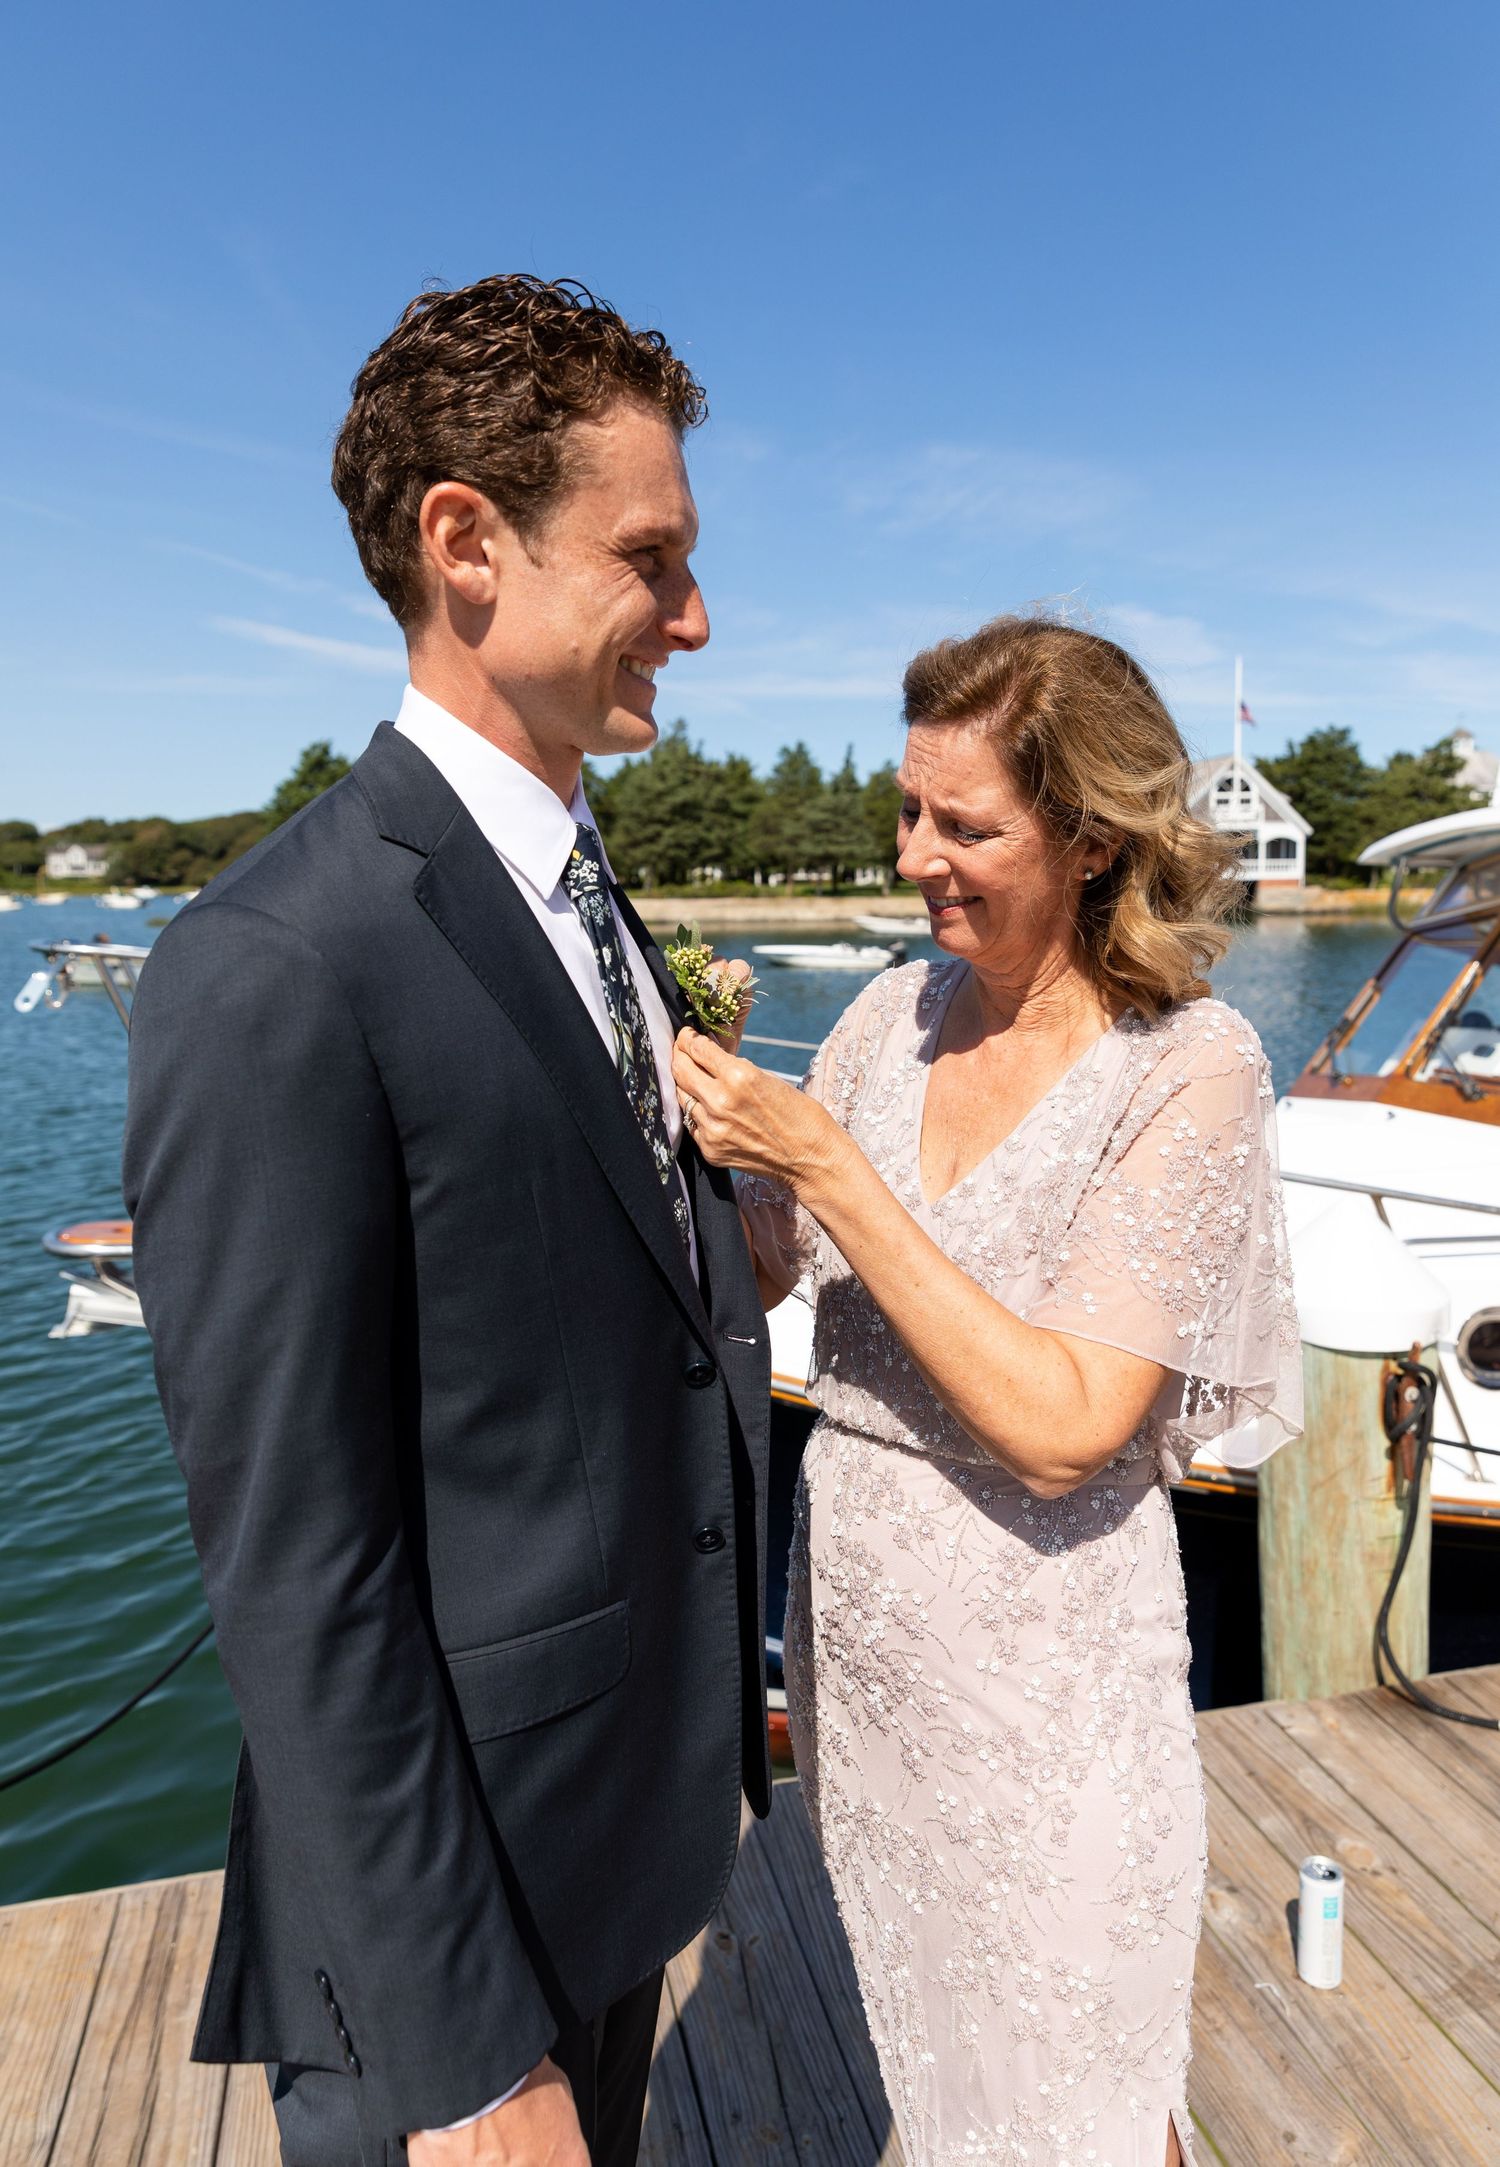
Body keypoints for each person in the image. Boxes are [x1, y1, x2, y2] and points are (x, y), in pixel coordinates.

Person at [123, 275, 769, 2167]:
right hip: (447, 1950)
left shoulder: (586, 894)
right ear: (466, 545)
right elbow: (296, 1569)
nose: (700, 617)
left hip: (618, 1849)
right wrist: (473, 2060)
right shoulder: (272, 965)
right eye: (653, 557)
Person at [671, 614, 1303, 2167]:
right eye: (908, 810)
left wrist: (822, 1156)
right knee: (939, 2078)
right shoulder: (891, 1017)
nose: (914, 856)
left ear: (1089, 840)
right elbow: (773, 1270)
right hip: (870, 1671)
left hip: (1047, 1685)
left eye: (965, 824)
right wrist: (713, 1119)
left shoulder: (1189, 1066)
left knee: (1078, 2094)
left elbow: (1065, 1424)